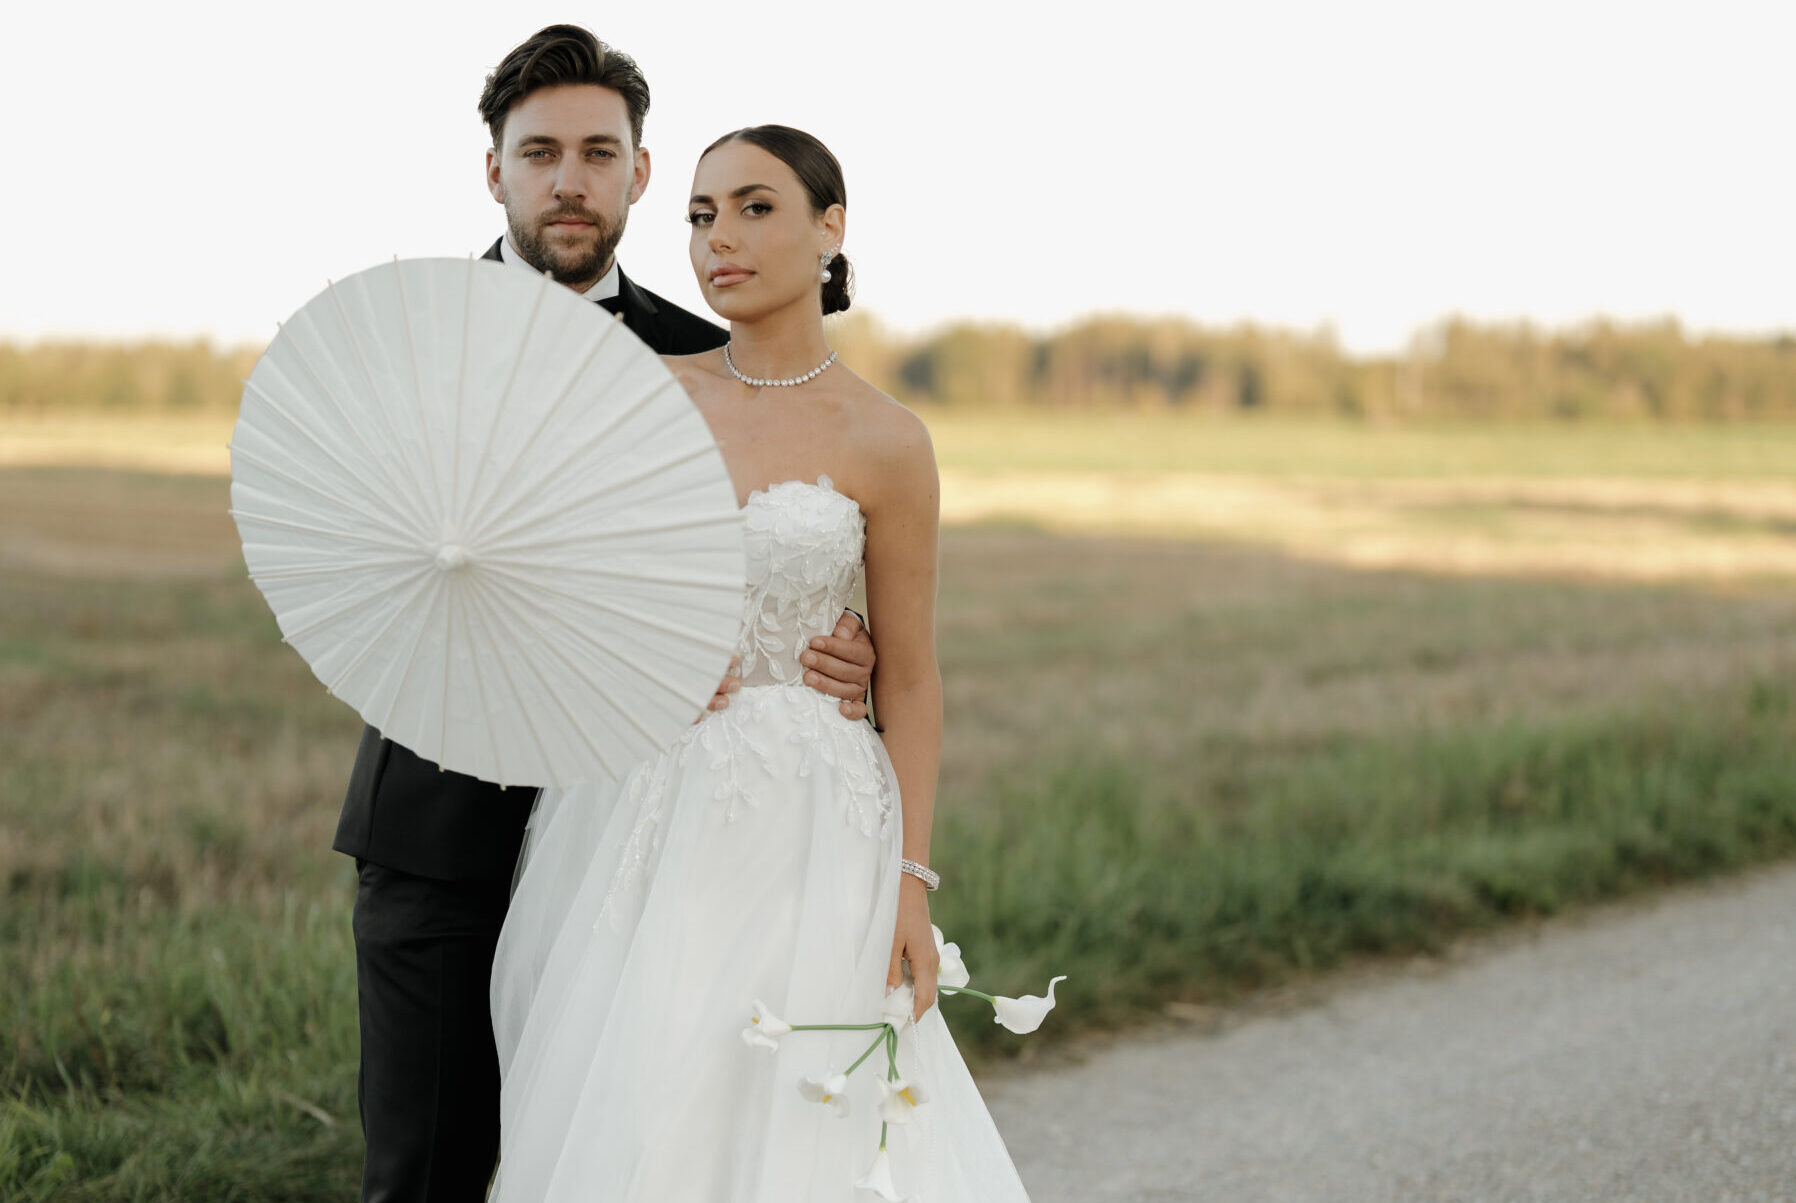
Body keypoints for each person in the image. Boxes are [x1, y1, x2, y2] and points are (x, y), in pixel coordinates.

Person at [332, 27, 877, 1202]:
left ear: (639, 172)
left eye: (597, 151)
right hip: (445, 826)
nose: (568, 180)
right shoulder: (409, 342)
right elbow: (379, 582)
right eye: (539, 153)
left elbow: (791, 524)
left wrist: (839, 632)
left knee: (631, 1159)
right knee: (424, 1172)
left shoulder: (709, 359)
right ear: (495, 173)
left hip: (661, 839)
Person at [486, 126, 1035, 1201]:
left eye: (752, 208)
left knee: (801, 1104)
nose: (716, 240)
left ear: (829, 228)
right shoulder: (646, 393)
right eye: (698, 215)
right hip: (644, 802)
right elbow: (564, 598)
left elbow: (912, 680)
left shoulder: (886, 440)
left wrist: (911, 889)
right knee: (648, 1088)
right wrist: (643, 662)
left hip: (816, 822)